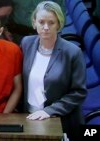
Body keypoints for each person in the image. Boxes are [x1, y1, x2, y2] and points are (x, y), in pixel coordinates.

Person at [20, 1, 87, 141]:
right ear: (34, 23)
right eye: (41, 22)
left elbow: (79, 92)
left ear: (59, 24)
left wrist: (48, 111)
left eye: (51, 23)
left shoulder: (73, 52)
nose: (45, 27)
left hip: (59, 120)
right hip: (28, 118)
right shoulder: (26, 43)